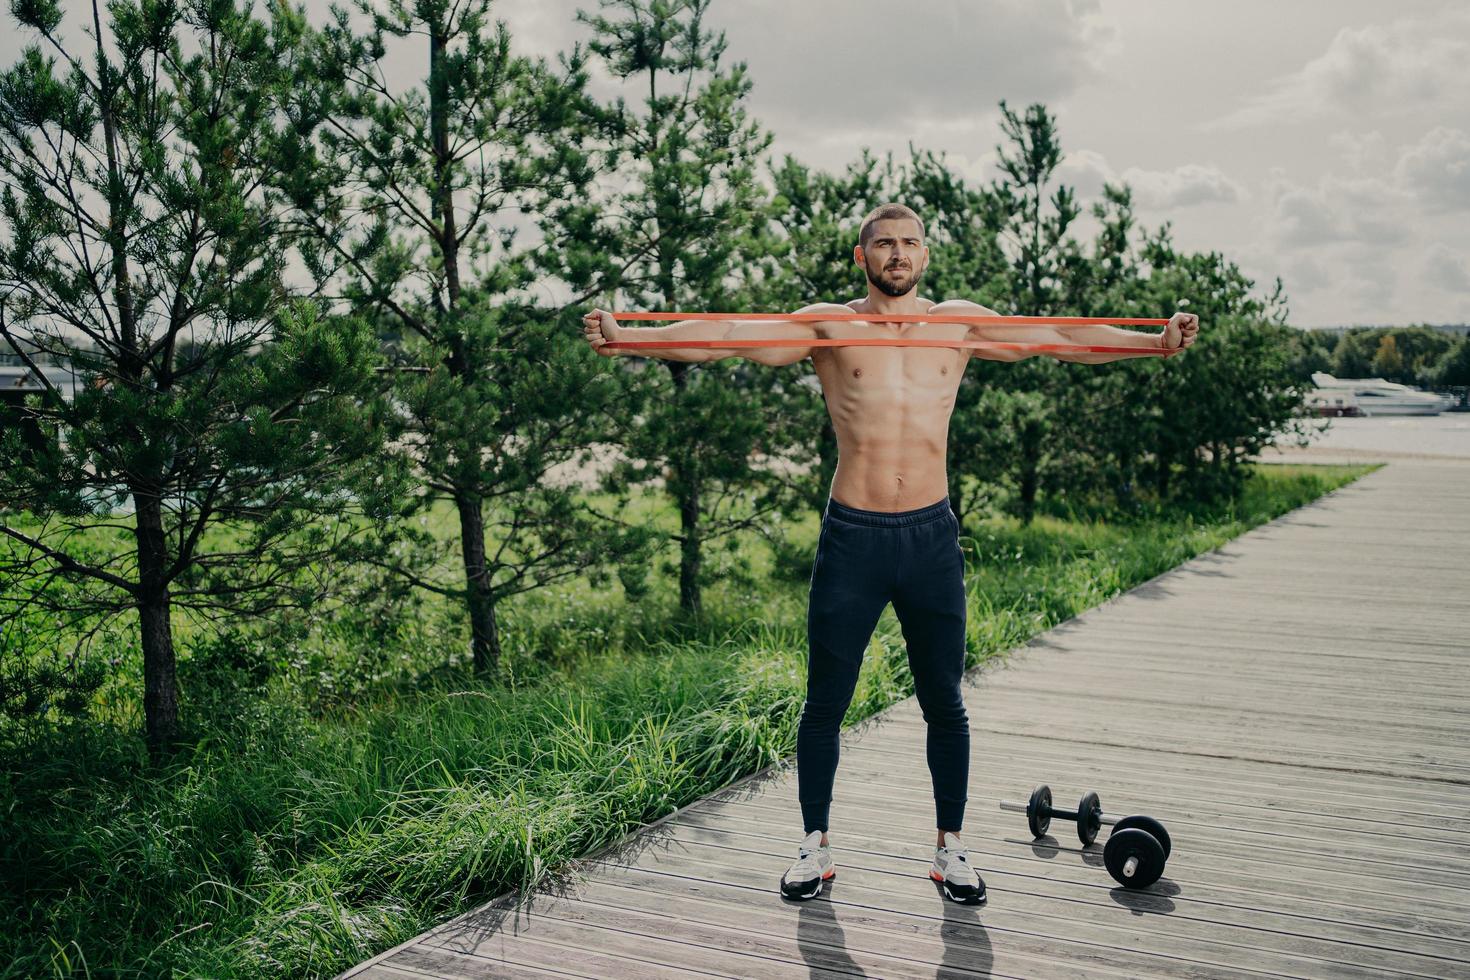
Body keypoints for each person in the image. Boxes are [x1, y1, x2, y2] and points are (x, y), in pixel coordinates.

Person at [580, 202, 1199, 905]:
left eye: (909, 243)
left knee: (946, 703)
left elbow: (1056, 337)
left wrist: (1154, 342)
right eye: (884, 245)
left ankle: (951, 851)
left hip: (931, 538)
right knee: (825, 704)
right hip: (855, 538)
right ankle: (814, 846)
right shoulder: (831, 325)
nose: (897, 255)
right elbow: (726, 335)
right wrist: (628, 337)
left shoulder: (957, 323)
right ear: (862, 256)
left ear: (925, 255)